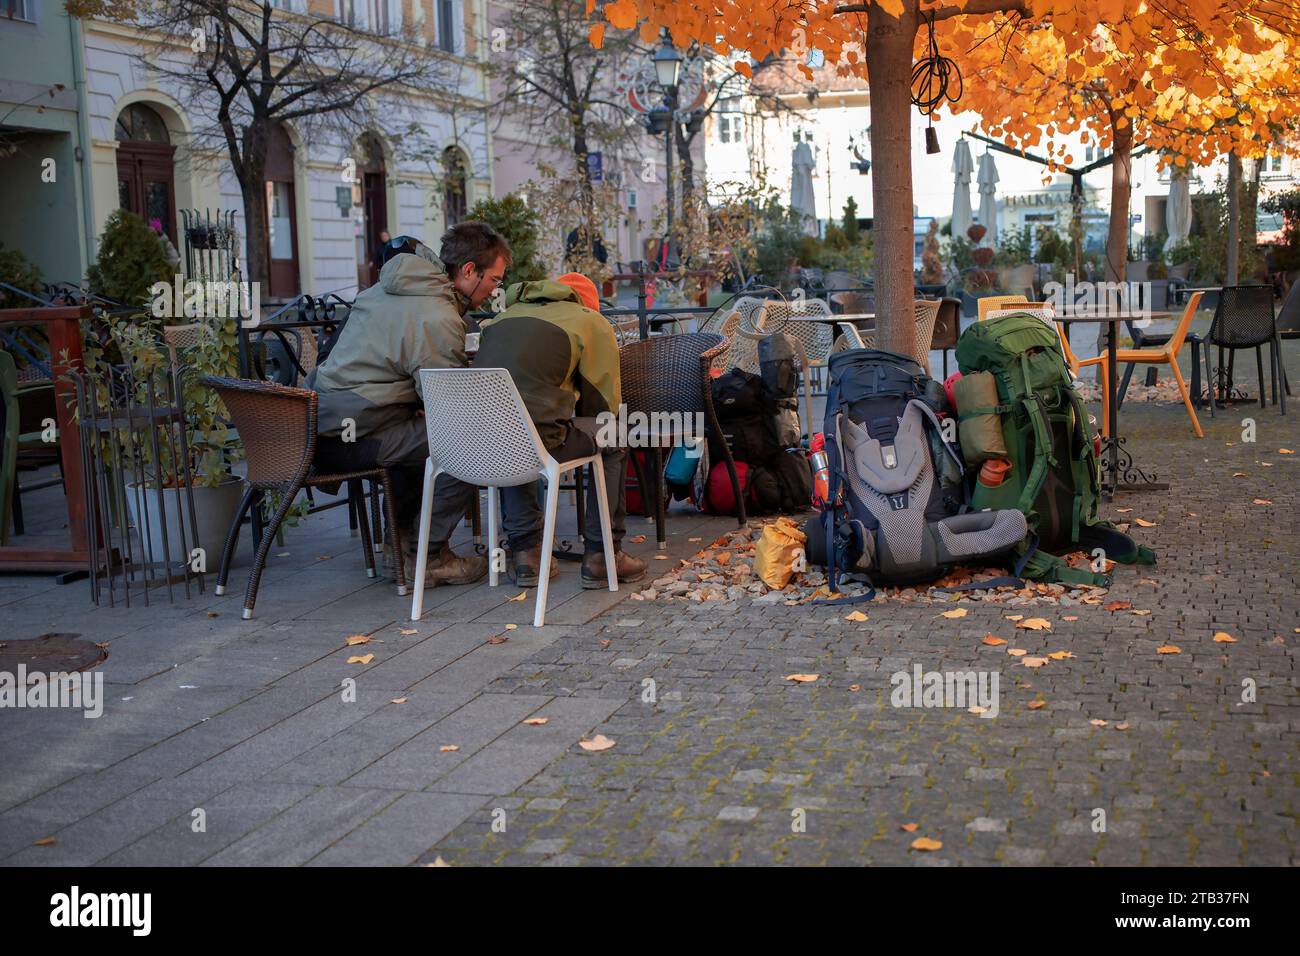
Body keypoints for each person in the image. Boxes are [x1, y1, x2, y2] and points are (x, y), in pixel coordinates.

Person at [308, 223, 511, 588]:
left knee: (422, 434)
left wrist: (424, 405)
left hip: (322, 428)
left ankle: (398, 550)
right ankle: (428, 556)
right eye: (494, 280)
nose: (496, 289)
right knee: (472, 442)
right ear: (468, 271)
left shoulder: (381, 291)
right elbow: (452, 408)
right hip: (350, 437)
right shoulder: (437, 315)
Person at [474, 272, 647, 589]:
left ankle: (526, 553)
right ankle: (602, 554)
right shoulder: (590, 322)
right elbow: (603, 407)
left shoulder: (500, 319)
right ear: (589, 305)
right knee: (614, 436)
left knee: (514, 429)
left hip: (481, 444)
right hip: (542, 440)